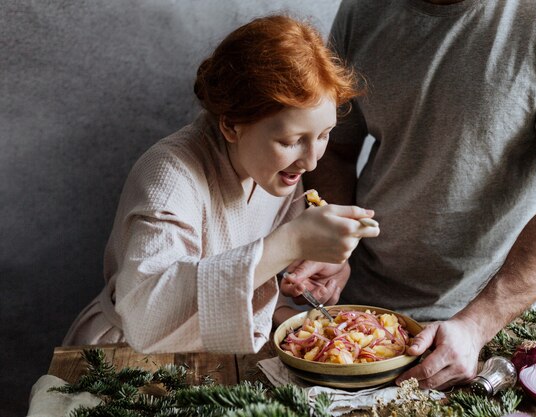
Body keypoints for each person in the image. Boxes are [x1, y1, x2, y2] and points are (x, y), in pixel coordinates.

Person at [281, 0, 536, 389]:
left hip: (490, 333)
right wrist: (338, 251)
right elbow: (336, 150)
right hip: (361, 314)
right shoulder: (363, 10)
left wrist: (476, 325)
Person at [62, 14, 379, 354]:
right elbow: (145, 318)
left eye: (324, 134)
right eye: (290, 141)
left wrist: (307, 275)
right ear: (231, 125)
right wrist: (289, 243)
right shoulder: (170, 175)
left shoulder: (278, 175)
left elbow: (247, 281)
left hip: (215, 357)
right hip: (122, 358)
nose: (311, 161)